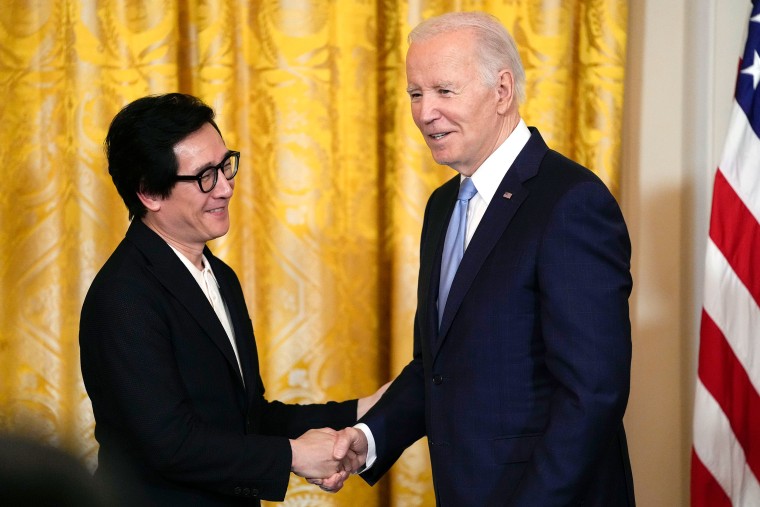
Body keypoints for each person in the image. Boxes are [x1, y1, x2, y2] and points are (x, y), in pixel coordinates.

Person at [327, 11, 635, 506]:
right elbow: (437, 365)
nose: (426, 112)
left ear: (502, 90)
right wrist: (367, 440)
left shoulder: (570, 201)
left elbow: (592, 394)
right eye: (415, 94)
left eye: (444, 91)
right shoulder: (442, 206)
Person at [79, 93, 385, 505]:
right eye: (205, 175)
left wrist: (361, 411)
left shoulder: (219, 275)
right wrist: (294, 455)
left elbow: (247, 417)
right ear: (150, 193)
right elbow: (169, 444)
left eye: (226, 165)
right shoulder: (123, 296)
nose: (225, 187)